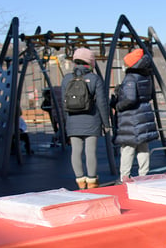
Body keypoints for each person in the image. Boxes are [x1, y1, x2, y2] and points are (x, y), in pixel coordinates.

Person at [61, 47, 109, 189]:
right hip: (91, 120)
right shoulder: (94, 79)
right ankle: (92, 180)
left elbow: (63, 103)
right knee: (90, 151)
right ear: (90, 62)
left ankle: (80, 181)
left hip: (72, 121)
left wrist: (66, 122)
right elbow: (101, 103)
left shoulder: (67, 79)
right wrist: (106, 123)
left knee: (76, 151)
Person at [114, 48, 159, 181]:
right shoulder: (146, 76)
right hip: (144, 114)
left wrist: (118, 105)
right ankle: (144, 175)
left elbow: (130, 99)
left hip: (131, 117)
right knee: (143, 147)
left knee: (128, 148)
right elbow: (150, 95)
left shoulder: (130, 78)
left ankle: (124, 176)